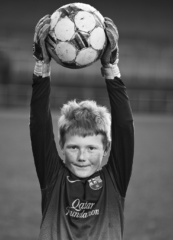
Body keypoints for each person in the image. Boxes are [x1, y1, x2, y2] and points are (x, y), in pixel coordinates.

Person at [30, 14, 134, 240]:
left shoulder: (114, 181)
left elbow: (124, 126)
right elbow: (39, 126)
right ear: (61, 146)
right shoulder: (53, 178)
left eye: (91, 148)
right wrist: (42, 64)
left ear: (106, 147)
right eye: (74, 147)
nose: (82, 156)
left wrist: (111, 67)